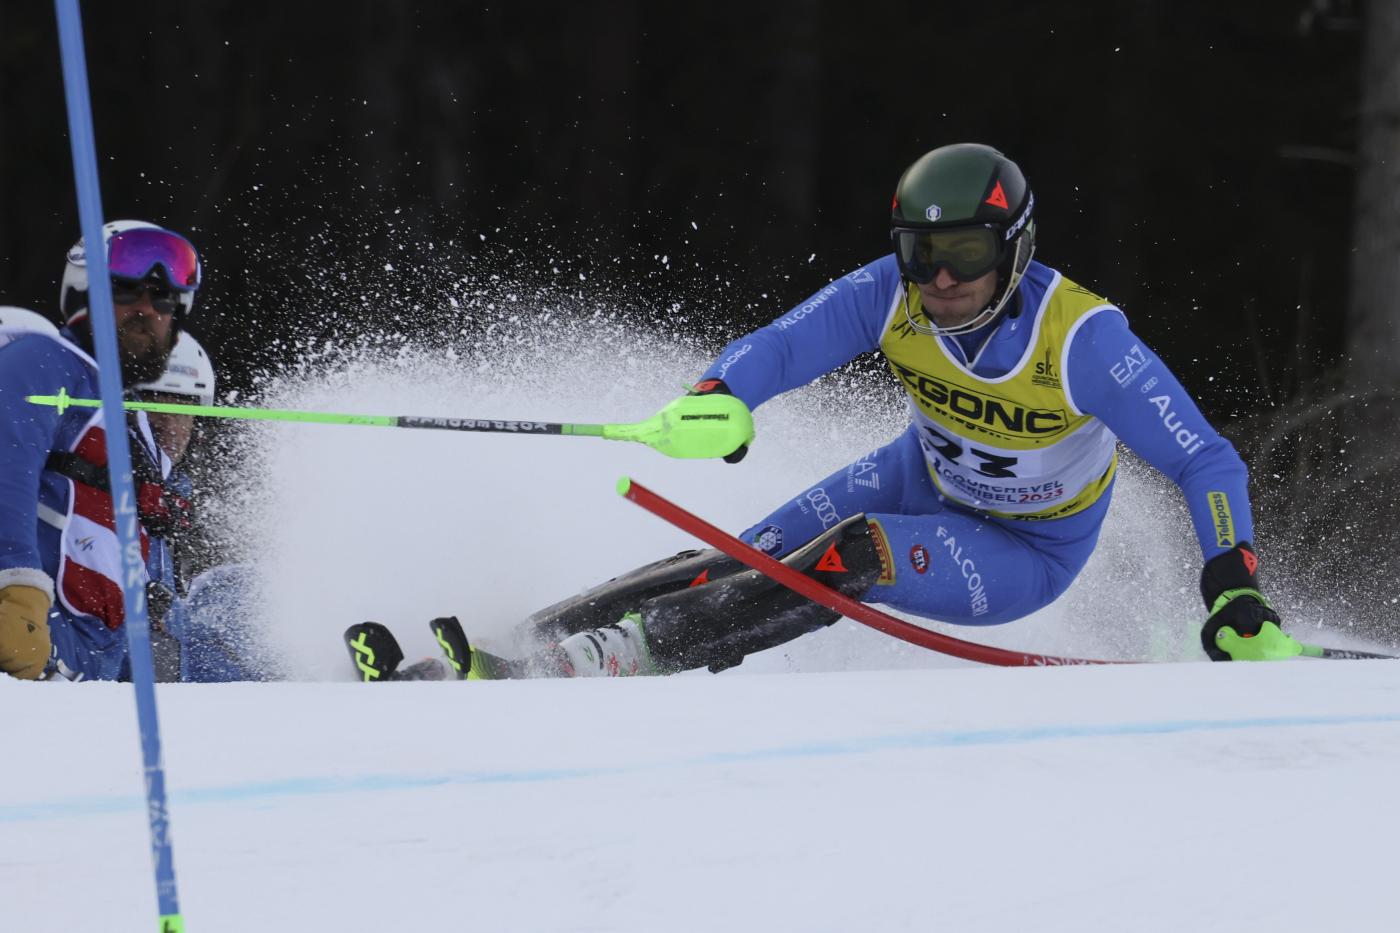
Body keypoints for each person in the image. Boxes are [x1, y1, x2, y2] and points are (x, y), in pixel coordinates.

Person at [378, 143, 1296, 682]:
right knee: (732, 554)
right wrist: (719, 397)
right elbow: (779, 346)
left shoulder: (1083, 339)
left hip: (1027, 549)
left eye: (966, 252)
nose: (940, 277)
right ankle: (510, 650)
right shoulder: (890, 294)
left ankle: (602, 664)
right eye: (920, 250)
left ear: (1017, 248)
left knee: (854, 554)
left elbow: (1207, 461)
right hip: (920, 472)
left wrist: (1233, 583)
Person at [0, 220, 202, 681]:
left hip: (90, 673)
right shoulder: (43, 358)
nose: (146, 310)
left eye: (163, 299)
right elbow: (5, 459)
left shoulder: (127, 421)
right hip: (29, 639)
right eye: (126, 292)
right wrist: (15, 585)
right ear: (84, 297)